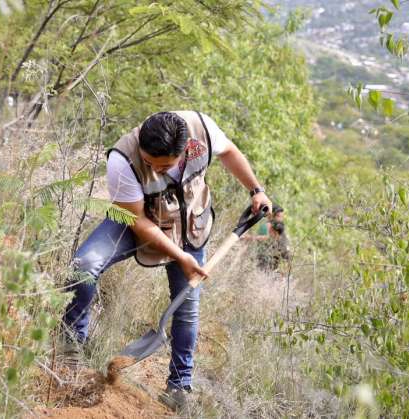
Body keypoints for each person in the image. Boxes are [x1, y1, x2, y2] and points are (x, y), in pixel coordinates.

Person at [61, 111, 271, 410]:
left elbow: (230, 152)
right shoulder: (122, 159)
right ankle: (70, 346)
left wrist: (256, 190)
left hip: (189, 224)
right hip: (135, 218)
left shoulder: (203, 129)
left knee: (187, 306)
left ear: (184, 151)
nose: (154, 170)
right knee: (84, 265)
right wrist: (179, 256)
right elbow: (136, 220)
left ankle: (179, 387)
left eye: (164, 166)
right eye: (148, 163)